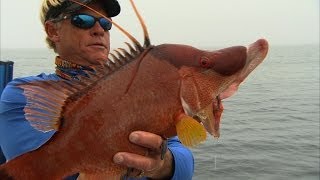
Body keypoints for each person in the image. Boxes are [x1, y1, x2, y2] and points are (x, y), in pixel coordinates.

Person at [0, 0, 194, 179]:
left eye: (106, 24)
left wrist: (161, 164)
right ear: (53, 31)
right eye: (83, 20)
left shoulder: (137, 91)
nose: (99, 30)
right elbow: (43, 168)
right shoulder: (24, 92)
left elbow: (184, 164)